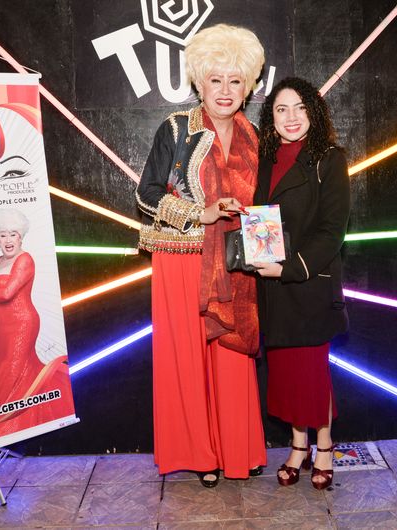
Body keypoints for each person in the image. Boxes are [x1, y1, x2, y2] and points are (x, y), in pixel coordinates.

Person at [135, 24, 266, 487]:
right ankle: (200, 454)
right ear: (199, 82)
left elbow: (266, 203)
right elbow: (146, 194)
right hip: (183, 259)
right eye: (216, 80)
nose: (225, 90)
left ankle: (238, 450)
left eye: (235, 80)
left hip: (235, 259)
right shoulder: (176, 128)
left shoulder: (256, 136)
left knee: (233, 351)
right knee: (188, 360)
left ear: (248, 86)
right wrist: (200, 213)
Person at [253, 77, 350, 489]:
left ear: (313, 112)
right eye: (281, 109)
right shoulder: (265, 158)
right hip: (272, 288)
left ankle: (323, 446)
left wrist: (290, 268)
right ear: (271, 117)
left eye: (299, 108)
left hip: (308, 283)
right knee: (287, 374)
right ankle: (298, 445)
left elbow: (332, 231)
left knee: (311, 374)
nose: (291, 117)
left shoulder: (329, 158)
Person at [0, 208, 73, 447]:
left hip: (23, 324)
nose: (9, 239)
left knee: (11, 372)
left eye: (13, 234)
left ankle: (0, 432)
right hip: (3, 327)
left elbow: (8, 292)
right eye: (3, 235)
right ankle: (24, 422)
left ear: (21, 237)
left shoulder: (25, 259)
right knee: (7, 371)